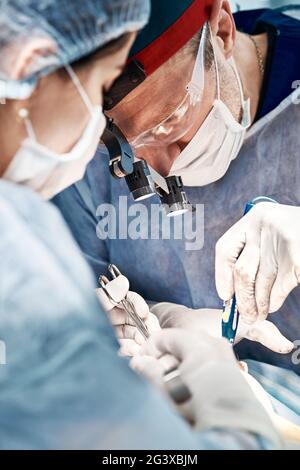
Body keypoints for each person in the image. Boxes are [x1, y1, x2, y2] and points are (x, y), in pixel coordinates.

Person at [0, 0, 281, 450]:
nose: (154, 164)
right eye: (101, 90)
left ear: (223, 32)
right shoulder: (21, 241)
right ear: (28, 65)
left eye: (169, 120)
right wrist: (235, 416)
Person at [53, 0, 300, 375]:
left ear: (221, 31)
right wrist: (155, 323)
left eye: (169, 123)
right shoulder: (80, 164)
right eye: (127, 153)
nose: (162, 168)